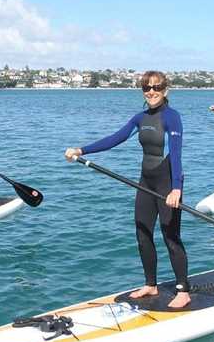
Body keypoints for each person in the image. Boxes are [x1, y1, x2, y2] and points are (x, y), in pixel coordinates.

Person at [64, 71, 190, 309]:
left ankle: (183, 289)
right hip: (145, 183)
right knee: (143, 233)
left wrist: (176, 189)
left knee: (170, 236)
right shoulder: (140, 118)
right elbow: (115, 139)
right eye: (146, 87)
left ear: (165, 90)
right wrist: (81, 150)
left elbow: (176, 154)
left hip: (166, 185)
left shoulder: (172, 117)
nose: (151, 92)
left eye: (156, 87)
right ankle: (150, 284)